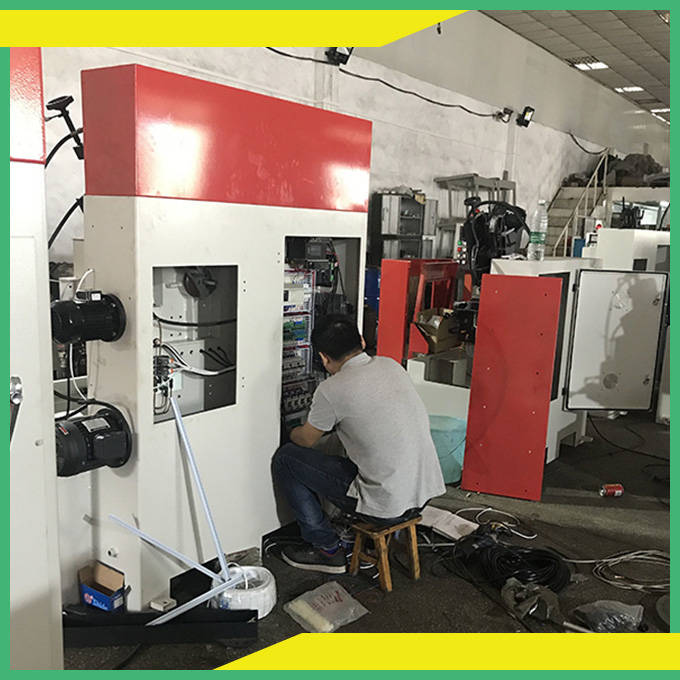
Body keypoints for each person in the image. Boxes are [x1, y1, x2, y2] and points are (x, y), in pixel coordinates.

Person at [272, 314, 445, 573]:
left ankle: (326, 548)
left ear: (323, 358)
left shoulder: (332, 390)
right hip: (423, 493)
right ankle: (348, 532)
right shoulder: (391, 365)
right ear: (362, 341)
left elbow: (306, 441)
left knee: (286, 458)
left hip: (386, 507)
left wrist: (289, 428)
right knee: (346, 450)